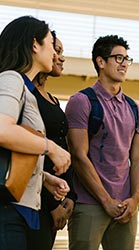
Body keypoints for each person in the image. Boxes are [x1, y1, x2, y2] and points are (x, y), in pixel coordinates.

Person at [65, 35, 139, 250]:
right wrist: (105, 200)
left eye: (127, 59)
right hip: (89, 203)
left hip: (125, 206)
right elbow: (78, 156)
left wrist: (135, 199)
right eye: (118, 58)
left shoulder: (134, 108)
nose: (124, 64)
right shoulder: (81, 102)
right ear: (100, 62)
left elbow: (137, 159)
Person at [0, 16, 71, 250]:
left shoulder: (27, 91)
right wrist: (51, 148)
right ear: (34, 45)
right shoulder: (11, 80)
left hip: (21, 211)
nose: (55, 53)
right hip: (8, 212)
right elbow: (2, 130)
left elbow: (11, 150)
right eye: (51, 44)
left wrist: (44, 178)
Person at [26, 31, 76, 250]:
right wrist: (53, 204)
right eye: (57, 50)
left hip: (58, 197)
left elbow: (65, 147)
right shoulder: (27, 95)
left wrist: (70, 196)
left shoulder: (54, 100)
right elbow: (29, 152)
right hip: (37, 198)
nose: (61, 58)